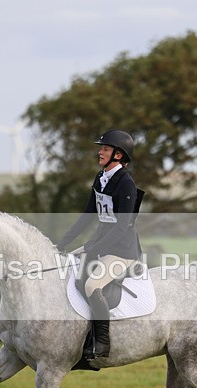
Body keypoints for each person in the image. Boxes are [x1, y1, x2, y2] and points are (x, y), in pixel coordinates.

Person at [56, 129, 144, 359]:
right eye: (101, 148)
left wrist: (93, 249)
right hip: (100, 243)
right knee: (65, 267)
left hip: (122, 250)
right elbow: (88, 215)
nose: (100, 152)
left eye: (105, 149)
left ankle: (102, 343)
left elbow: (122, 225)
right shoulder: (101, 178)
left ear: (118, 154)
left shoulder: (126, 183)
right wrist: (62, 243)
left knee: (92, 285)